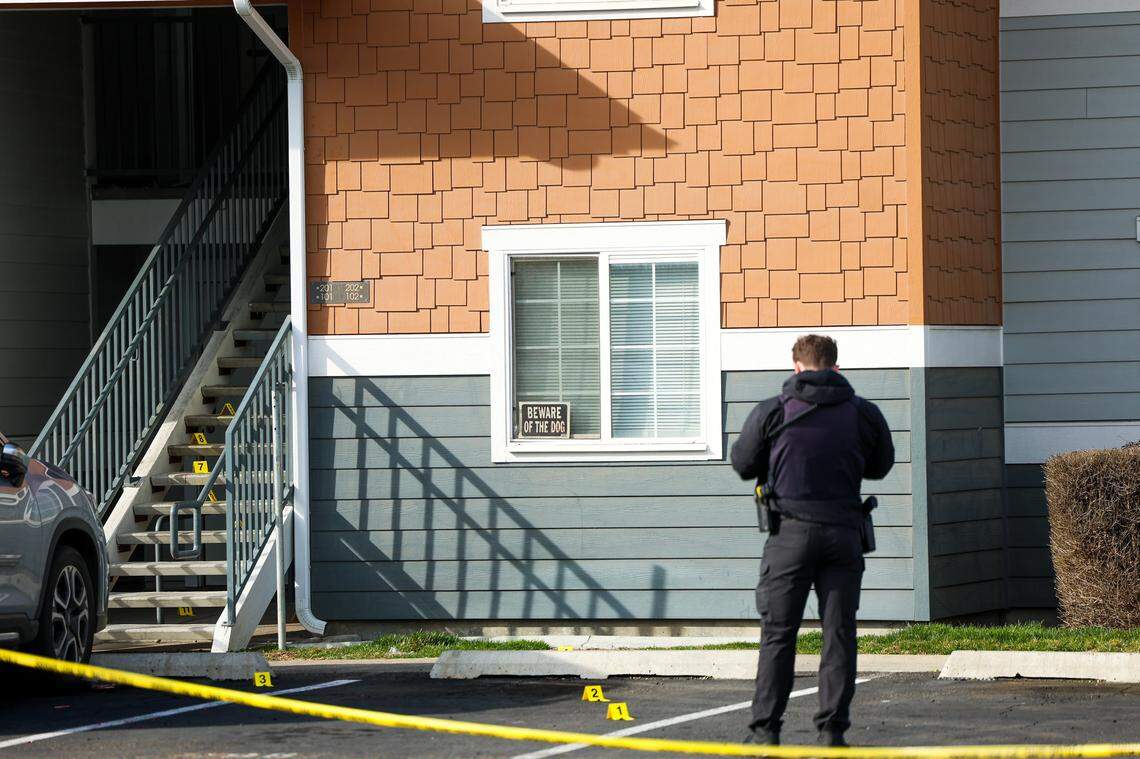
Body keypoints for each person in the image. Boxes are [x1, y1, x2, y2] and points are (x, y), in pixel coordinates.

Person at [730, 334, 894, 748]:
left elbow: (743, 464)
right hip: (843, 535)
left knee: (779, 634)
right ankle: (832, 733)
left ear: (796, 366)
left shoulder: (774, 410)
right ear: (836, 367)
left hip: (789, 536)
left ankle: (766, 731)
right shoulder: (863, 413)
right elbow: (881, 466)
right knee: (838, 632)